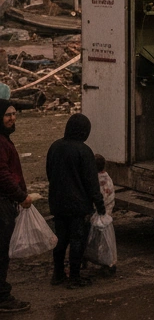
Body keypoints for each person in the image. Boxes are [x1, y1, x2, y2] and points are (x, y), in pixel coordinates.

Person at [46, 113, 105, 289]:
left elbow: (50, 172)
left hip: (57, 202)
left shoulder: (55, 147)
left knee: (61, 239)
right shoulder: (84, 151)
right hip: (78, 205)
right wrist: (99, 204)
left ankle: (57, 274)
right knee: (77, 240)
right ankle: (74, 276)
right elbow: (91, 181)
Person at [0, 100, 31, 313]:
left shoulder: (4, 140)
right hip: (2, 204)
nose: (12, 118)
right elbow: (2, 174)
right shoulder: (0, 143)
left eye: (14, 114)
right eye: (7, 115)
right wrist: (20, 196)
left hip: (5, 202)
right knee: (1, 251)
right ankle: (2, 297)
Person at [89, 154, 117, 278]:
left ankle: (90, 259)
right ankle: (109, 262)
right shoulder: (108, 178)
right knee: (105, 240)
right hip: (107, 214)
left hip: (97, 213)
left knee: (92, 238)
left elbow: (95, 196)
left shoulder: (94, 180)